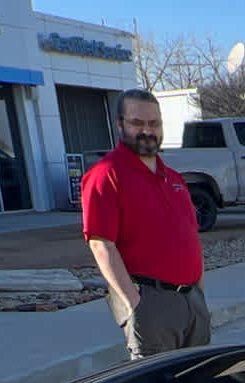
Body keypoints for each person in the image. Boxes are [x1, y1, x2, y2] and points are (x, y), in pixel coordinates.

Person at [82, 88, 209, 359]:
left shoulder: (174, 177)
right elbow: (100, 243)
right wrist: (134, 304)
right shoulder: (106, 175)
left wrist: (198, 293)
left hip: (191, 302)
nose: (147, 131)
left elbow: (190, 237)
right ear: (119, 124)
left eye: (154, 123)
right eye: (137, 123)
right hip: (150, 301)